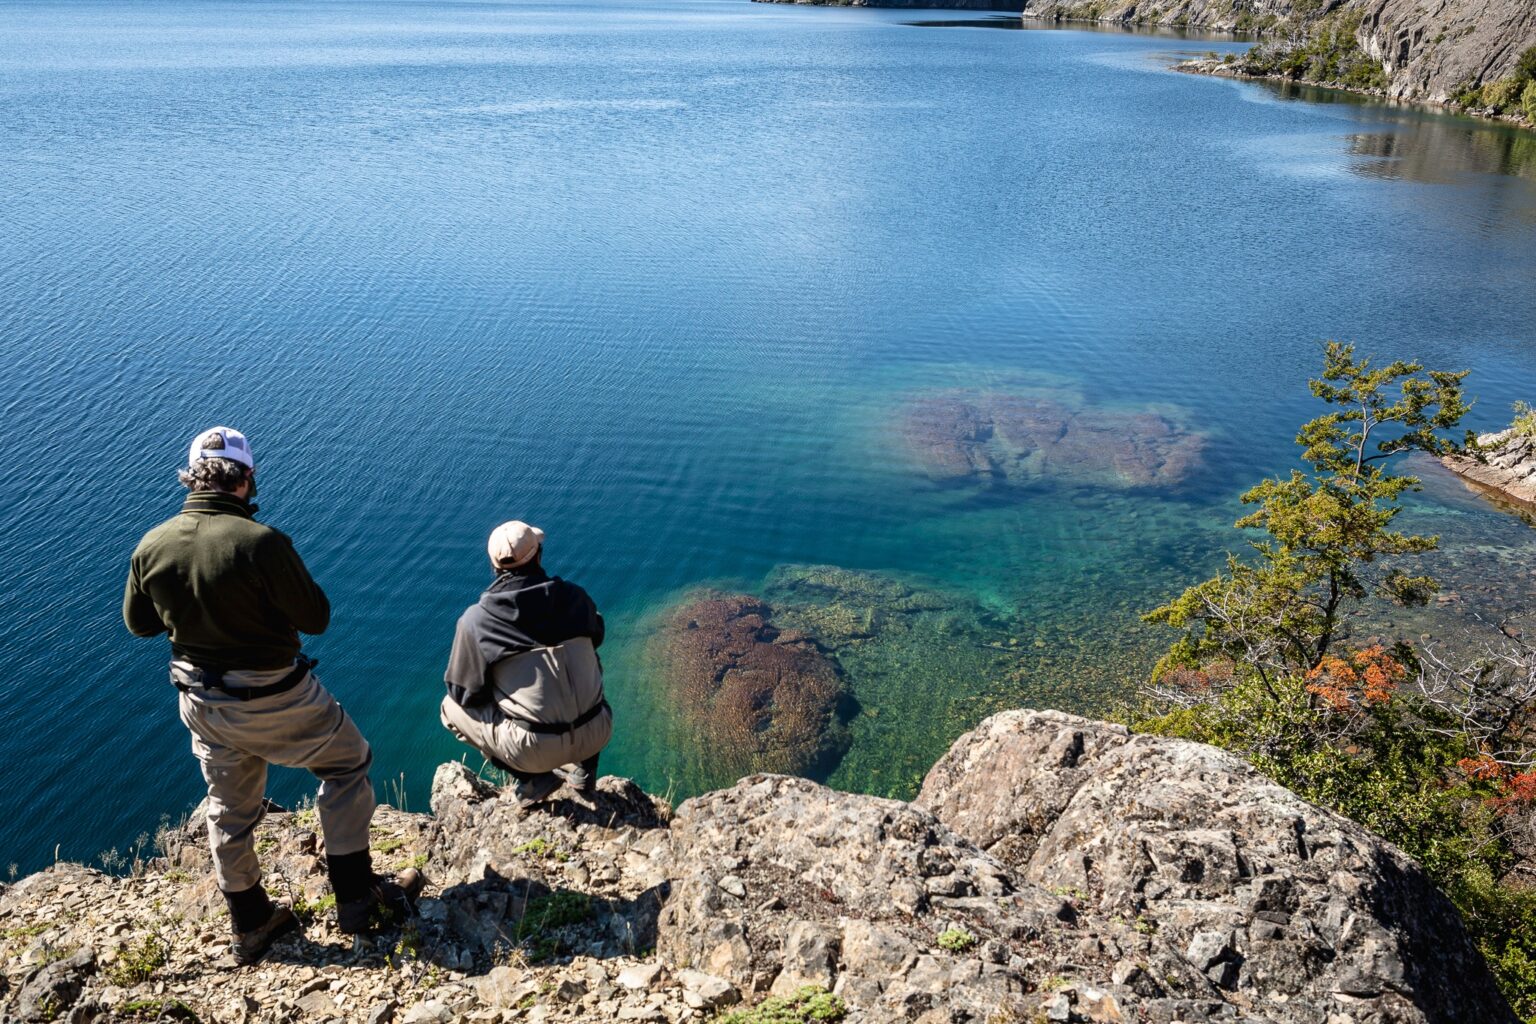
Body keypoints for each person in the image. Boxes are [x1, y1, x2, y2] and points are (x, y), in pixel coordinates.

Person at [123, 426, 423, 965]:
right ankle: (356, 898)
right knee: (347, 763)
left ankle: (250, 921)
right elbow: (317, 617)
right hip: (276, 697)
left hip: (203, 703)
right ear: (247, 478)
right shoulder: (262, 543)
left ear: (190, 477)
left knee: (229, 809)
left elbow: (139, 625)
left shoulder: (152, 544)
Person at [440, 520, 612, 808]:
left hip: (533, 749)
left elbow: (464, 694)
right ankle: (584, 771)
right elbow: (598, 636)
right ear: (539, 556)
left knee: (449, 708)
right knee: (589, 662)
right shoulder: (575, 596)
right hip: (598, 728)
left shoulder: (478, 621)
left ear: (495, 567)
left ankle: (536, 779)